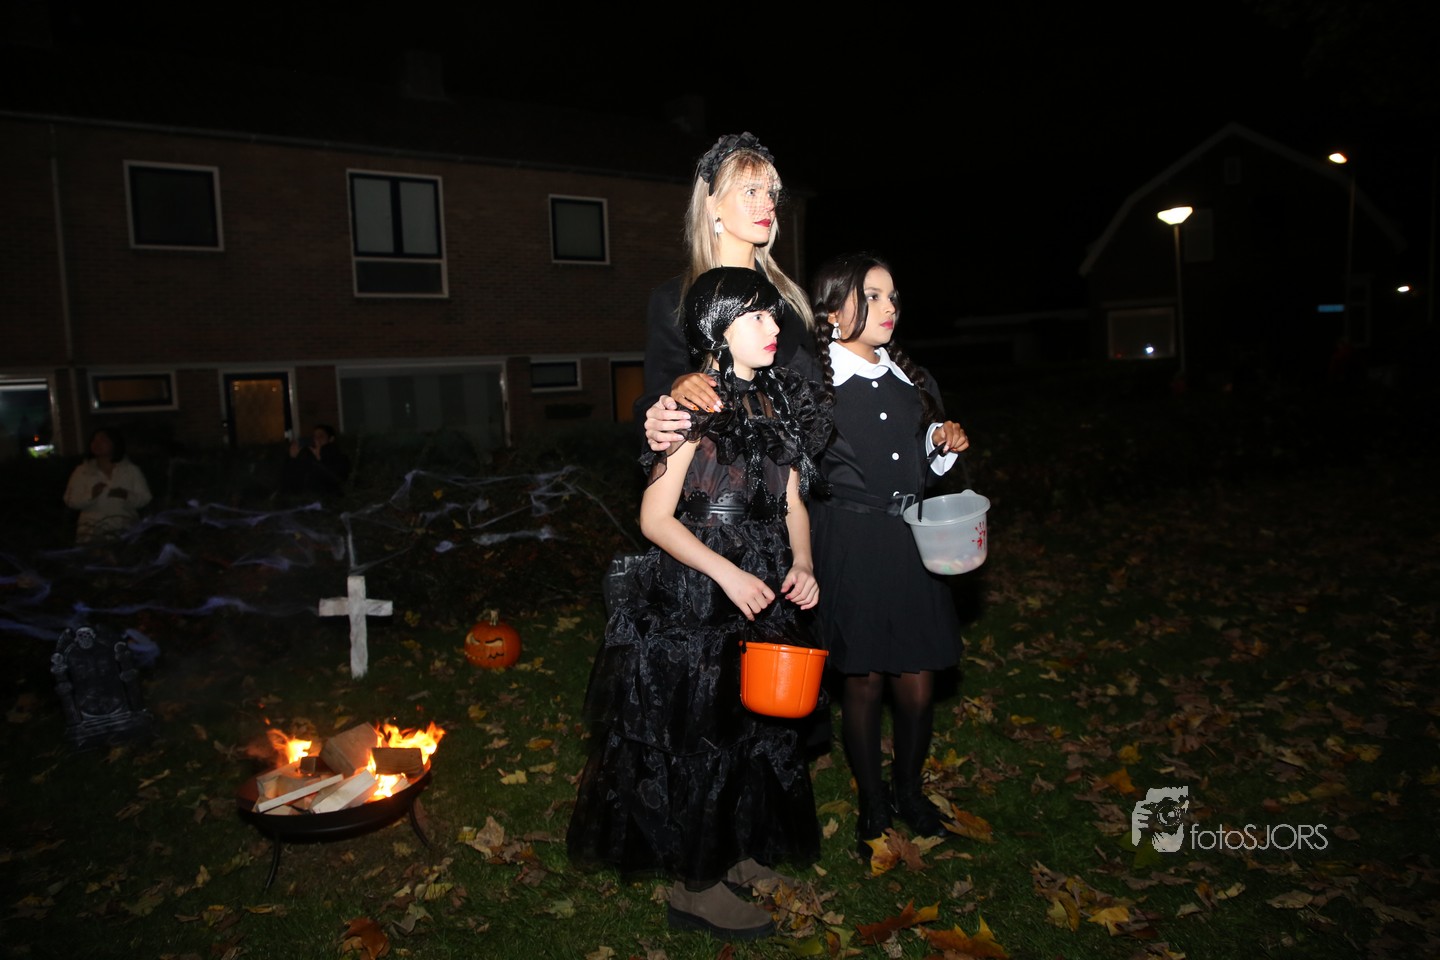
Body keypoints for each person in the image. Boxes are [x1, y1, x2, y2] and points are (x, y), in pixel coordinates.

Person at [569, 268, 830, 939]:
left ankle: (739, 850)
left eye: (774, 315)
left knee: (756, 732)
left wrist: (802, 563)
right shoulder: (689, 408)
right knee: (701, 737)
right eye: (757, 317)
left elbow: (792, 501)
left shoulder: (778, 402)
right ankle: (696, 885)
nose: (774, 328)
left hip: (764, 586)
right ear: (718, 329)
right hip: (700, 596)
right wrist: (726, 575)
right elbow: (655, 518)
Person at [807, 254, 970, 856]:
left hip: (911, 540)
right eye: (871, 295)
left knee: (919, 676)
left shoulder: (914, 380)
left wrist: (942, 443)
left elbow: (922, 463)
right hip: (850, 543)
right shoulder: (814, 380)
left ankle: (909, 791)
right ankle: (872, 801)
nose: (889, 307)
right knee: (864, 679)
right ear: (832, 311)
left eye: (893, 296)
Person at [637, 132, 817, 442]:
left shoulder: (788, 299)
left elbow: (817, 397)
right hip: (713, 465)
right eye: (751, 191)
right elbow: (654, 406)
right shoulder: (675, 300)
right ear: (713, 205)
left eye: (770, 193)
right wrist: (675, 391)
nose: (767, 204)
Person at [63, 427, 152, 544]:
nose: (97, 444)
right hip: (91, 533)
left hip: (124, 531)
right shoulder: (82, 471)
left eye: (102, 440)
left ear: (114, 443)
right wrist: (91, 495)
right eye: (94, 440)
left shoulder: (130, 470)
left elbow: (145, 498)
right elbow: (70, 500)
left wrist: (126, 495)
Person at [282, 424, 350, 497]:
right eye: (314, 436)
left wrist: (319, 460)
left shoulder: (339, 457)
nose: (316, 439)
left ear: (331, 439)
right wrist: (292, 458)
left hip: (327, 499)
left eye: (321, 436)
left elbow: (337, 481)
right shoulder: (306, 454)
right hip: (303, 499)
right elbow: (288, 481)